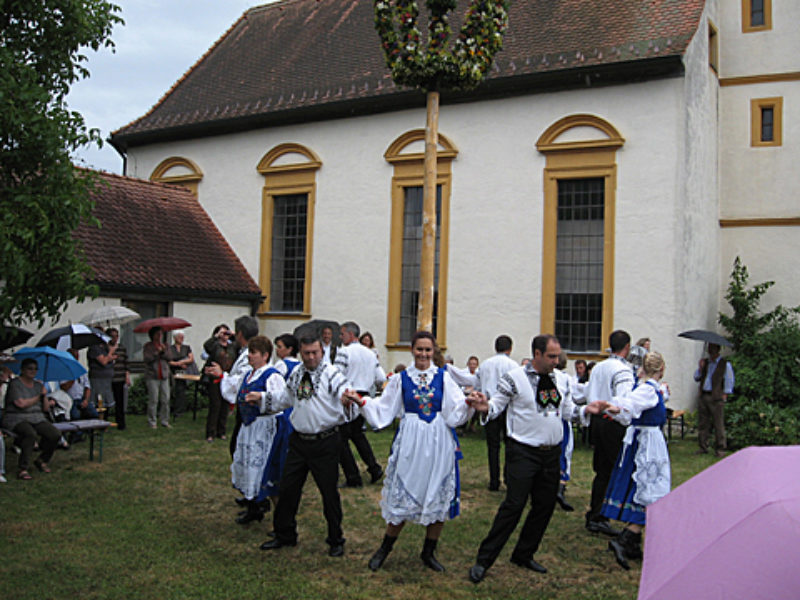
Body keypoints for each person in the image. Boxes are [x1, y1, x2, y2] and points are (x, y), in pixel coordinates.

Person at [467, 335, 611, 584]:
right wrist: (484, 407)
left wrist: (586, 410)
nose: (557, 361)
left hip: (551, 454)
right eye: (551, 356)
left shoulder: (561, 380)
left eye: (557, 356)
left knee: (544, 507)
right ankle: (484, 560)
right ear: (537, 354)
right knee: (513, 506)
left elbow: (566, 411)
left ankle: (524, 553)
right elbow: (496, 406)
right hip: (523, 452)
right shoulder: (514, 378)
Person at [353, 330, 472, 572]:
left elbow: (455, 407)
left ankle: (428, 552)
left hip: (438, 440)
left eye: (428, 350)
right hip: (410, 440)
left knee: (438, 493)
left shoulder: (443, 377)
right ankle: (385, 548)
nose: (424, 354)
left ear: (434, 352)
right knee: (402, 492)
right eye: (420, 349)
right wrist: (362, 401)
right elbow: (385, 407)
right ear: (412, 350)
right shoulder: (401, 378)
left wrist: (470, 403)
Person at [259, 336, 358, 557]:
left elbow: (344, 388)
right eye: (307, 353)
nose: (311, 357)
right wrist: (262, 398)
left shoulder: (331, 373)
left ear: (322, 352)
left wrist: (346, 397)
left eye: (315, 352)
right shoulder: (296, 374)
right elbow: (285, 398)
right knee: (288, 489)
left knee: (328, 492)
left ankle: (335, 539)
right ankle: (285, 534)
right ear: (300, 353)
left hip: (325, 442)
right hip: (299, 442)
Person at [601, 352, 671, 569]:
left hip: (646, 441)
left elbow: (647, 399)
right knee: (650, 488)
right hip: (648, 444)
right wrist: (614, 408)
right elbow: (632, 404)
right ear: (661, 369)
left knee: (646, 487)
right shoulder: (648, 390)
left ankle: (631, 541)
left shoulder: (651, 388)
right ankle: (626, 540)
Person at [230, 336, 287, 525]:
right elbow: (233, 387)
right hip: (249, 426)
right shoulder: (249, 374)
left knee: (263, 468)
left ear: (265, 355)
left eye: (253, 353)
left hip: (264, 427)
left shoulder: (272, 375)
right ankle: (253, 507)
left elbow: (281, 400)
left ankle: (276, 515)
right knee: (247, 464)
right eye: (249, 353)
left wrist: (262, 398)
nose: (249, 357)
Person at [584, 330, 635, 537]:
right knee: (614, 470)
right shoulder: (622, 370)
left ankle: (596, 513)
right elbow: (622, 401)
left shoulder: (599, 367)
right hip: (612, 422)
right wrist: (625, 419)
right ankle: (603, 514)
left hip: (597, 419)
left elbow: (590, 393)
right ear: (627, 348)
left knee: (602, 470)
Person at [334, 321, 386, 487]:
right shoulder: (370, 354)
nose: (341, 337)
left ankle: (353, 476)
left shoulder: (344, 352)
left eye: (342, 334)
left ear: (350, 334)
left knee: (341, 438)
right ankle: (373, 467)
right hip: (363, 397)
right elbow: (380, 378)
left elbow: (336, 375)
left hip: (348, 395)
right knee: (357, 434)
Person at [205, 315, 259, 456]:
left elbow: (243, 380)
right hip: (249, 406)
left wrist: (222, 374)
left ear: (240, 333)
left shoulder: (251, 354)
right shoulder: (249, 350)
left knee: (239, 448)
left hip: (250, 407)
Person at [1, 358, 61, 480]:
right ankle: (23, 468)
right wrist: (38, 396)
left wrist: (44, 396)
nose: (32, 371)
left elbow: (45, 408)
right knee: (30, 434)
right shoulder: (15, 384)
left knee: (54, 434)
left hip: (36, 417)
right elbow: (20, 404)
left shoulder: (38, 385)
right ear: (23, 370)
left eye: (35, 369)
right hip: (16, 417)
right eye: (29, 368)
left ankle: (42, 459)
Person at [475, 335, 517, 492]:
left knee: (493, 446)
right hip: (506, 407)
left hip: (489, 405)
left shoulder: (485, 365)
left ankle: (494, 480)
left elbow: (478, 385)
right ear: (510, 348)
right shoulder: (513, 365)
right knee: (509, 444)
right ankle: (507, 476)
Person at [694, 342, 734, 458]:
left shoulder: (725, 364)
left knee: (718, 424)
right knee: (703, 423)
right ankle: (703, 446)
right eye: (709, 348)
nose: (710, 351)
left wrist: (725, 394)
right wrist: (700, 369)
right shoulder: (705, 363)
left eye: (712, 348)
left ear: (717, 350)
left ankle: (721, 448)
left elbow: (729, 380)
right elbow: (697, 378)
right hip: (704, 395)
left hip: (716, 397)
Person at [203, 324, 236, 442]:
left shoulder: (232, 347)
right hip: (215, 378)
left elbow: (240, 346)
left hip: (227, 378)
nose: (225, 336)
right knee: (215, 405)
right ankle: (210, 432)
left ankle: (221, 431)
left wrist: (233, 335)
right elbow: (207, 346)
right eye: (223, 333)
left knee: (225, 405)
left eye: (226, 333)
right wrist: (216, 336)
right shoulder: (215, 346)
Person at [555, 351, 575, 512]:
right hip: (562, 419)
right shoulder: (567, 379)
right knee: (564, 453)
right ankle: (560, 487)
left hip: (550, 419)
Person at [143, 326, 171, 429]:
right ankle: (152, 421)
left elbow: (169, 357)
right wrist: (156, 353)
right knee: (153, 399)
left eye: (161, 334)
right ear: (152, 335)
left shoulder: (166, 345)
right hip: (152, 376)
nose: (159, 336)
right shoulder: (148, 346)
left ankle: (165, 420)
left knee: (165, 399)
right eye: (157, 334)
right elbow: (147, 359)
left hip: (164, 375)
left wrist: (163, 352)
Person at [166, 330, 195, 419]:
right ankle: (171, 409)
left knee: (181, 390)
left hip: (183, 372)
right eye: (179, 337)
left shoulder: (186, 348)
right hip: (173, 371)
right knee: (173, 390)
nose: (181, 339)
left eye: (182, 337)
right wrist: (178, 364)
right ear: (175, 338)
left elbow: (191, 359)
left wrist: (182, 362)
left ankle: (179, 411)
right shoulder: (170, 348)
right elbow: (169, 361)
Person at [106, 327, 129, 430]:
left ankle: (121, 423)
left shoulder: (122, 348)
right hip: (109, 378)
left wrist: (127, 376)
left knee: (120, 402)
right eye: (112, 336)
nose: (115, 338)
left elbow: (126, 363)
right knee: (107, 402)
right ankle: (104, 422)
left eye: (116, 336)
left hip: (120, 377)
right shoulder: (105, 348)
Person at [87, 334, 116, 414]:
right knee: (99, 401)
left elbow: (109, 358)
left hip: (107, 378)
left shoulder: (104, 347)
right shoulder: (94, 348)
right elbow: (103, 361)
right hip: (98, 378)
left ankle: (105, 418)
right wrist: (111, 352)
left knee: (106, 402)